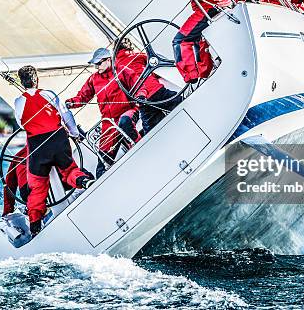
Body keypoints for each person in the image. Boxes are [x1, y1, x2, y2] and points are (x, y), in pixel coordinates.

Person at [14, 65, 94, 236]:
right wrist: (74, 133)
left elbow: (21, 124)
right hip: (58, 140)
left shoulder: (19, 101)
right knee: (69, 170)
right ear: (37, 79)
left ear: (22, 82)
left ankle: (35, 228)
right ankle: (83, 182)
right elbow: (66, 116)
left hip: (37, 147)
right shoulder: (49, 94)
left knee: (37, 188)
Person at [66, 48, 143, 177]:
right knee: (102, 164)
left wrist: (141, 96)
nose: (96, 67)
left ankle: (141, 146)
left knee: (125, 122)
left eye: (99, 63)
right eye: (95, 64)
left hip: (128, 111)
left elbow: (139, 85)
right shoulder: (93, 79)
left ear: (108, 60)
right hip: (109, 122)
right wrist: (71, 103)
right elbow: (83, 96)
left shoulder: (123, 71)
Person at [115, 41, 182, 134]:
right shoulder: (136, 56)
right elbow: (155, 62)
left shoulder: (117, 69)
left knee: (152, 132)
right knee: (183, 103)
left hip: (143, 100)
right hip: (157, 91)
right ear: (127, 48)